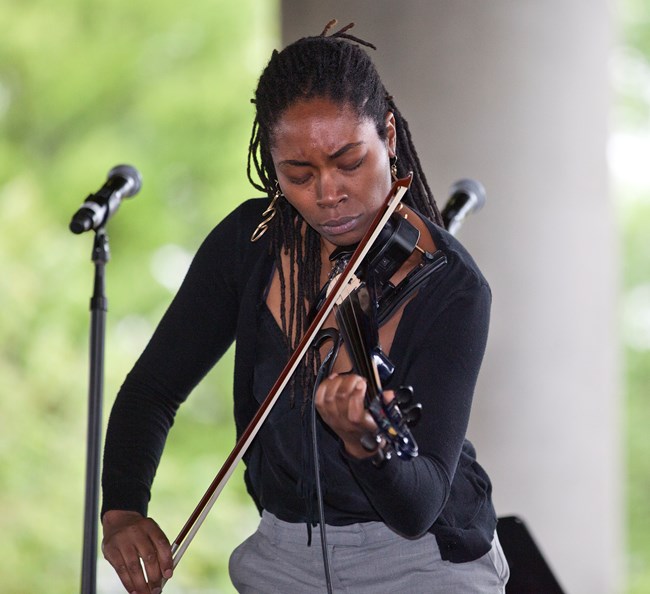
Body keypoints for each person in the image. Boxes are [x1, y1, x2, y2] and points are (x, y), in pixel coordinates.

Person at [101, 20, 509, 594]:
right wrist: (121, 508)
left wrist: (366, 445)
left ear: (389, 136)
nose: (328, 193)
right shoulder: (251, 244)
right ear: (273, 166)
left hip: (421, 563)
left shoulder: (452, 287)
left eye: (350, 162)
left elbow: (418, 505)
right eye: (299, 174)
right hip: (283, 555)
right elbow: (153, 390)